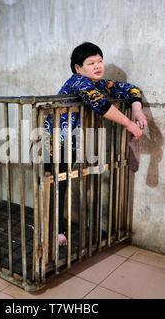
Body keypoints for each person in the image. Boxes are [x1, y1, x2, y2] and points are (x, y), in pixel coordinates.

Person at [44, 42, 148, 247]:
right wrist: (129, 124)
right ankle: (53, 233)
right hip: (49, 146)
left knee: (61, 186)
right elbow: (100, 104)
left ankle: (56, 230)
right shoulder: (78, 82)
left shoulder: (96, 84)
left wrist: (137, 109)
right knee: (54, 188)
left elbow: (130, 89)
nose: (97, 66)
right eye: (91, 62)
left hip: (69, 147)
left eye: (100, 60)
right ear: (78, 68)